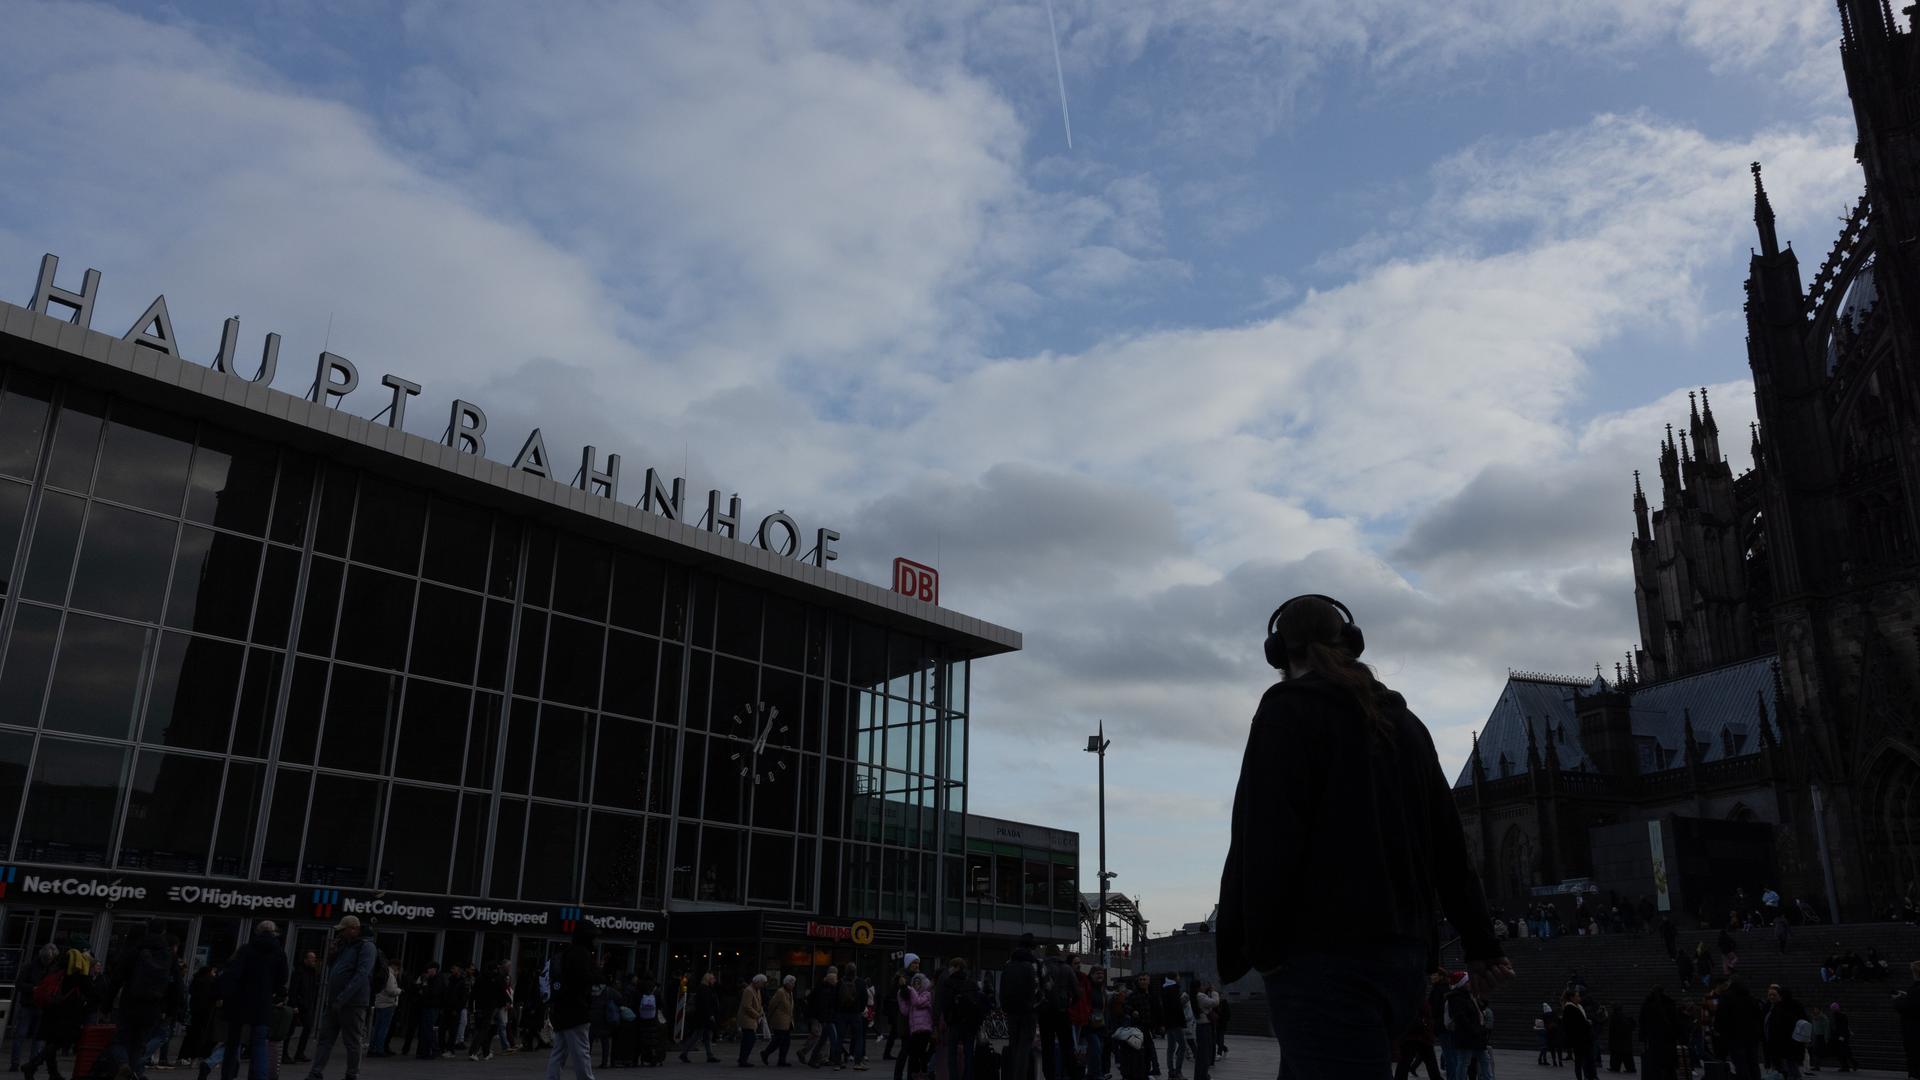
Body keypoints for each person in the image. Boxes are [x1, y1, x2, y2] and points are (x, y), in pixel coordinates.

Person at [1216, 594, 1511, 1078]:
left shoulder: (1286, 713)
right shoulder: (1408, 725)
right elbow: (1450, 844)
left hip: (1323, 961)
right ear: (1351, 644)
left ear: (1280, 653)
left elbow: (1262, 842)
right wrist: (1481, 943)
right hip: (1402, 961)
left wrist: (1262, 952)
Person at [214, 920, 290, 1080]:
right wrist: (274, 991)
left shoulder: (246, 949)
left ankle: (227, 1075)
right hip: (262, 1003)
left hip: (240, 1001)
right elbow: (282, 978)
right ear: (275, 932)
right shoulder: (279, 952)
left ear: (257, 931)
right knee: (259, 1044)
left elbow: (233, 974)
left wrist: (224, 995)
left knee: (233, 1042)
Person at [303, 914, 375, 1080]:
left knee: (352, 1041)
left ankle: (351, 1074)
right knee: (325, 1039)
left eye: (343, 930)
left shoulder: (366, 947)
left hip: (353, 1003)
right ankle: (315, 1072)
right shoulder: (346, 945)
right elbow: (333, 967)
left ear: (353, 929)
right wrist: (333, 952)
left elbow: (362, 974)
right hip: (335, 1002)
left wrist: (343, 997)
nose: (340, 933)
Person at [547, 923, 601, 1080]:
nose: (596, 940)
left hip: (561, 1009)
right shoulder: (582, 954)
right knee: (581, 1051)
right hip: (576, 1010)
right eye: (594, 937)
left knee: (559, 1051)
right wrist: (597, 976)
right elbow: (583, 979)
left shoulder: (567, 953)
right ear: (588, 937)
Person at [10, 943, 57, 1072]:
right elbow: (19, 984)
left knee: (37, 1038)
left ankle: (31, 1064)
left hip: (41, 1006)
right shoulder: (30, 967)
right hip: (29, 1005)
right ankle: (16, 1063)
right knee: (22, 1035)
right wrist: (33, 988)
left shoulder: (50, 969)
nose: (48, 962)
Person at [1037, 947, 1080, 1080]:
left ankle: (1049, 1076)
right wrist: (1069, 1004)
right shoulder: (1066, 968)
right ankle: (1072, 1074)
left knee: (1047, 1048)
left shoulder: (1041, 968)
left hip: (1045, 1013)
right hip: (1062, 1012)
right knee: (1067, 1047)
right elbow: (1077, 993)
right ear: (1059, 954)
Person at [938, 960, 982, 1080]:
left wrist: (948, 1020)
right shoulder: (972, 983)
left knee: (952, 1055)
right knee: (969, 1055)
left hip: (954, 1023)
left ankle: (954, 1077)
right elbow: (979, 1004)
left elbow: (944, 1004)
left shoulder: (948, 983)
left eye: (951, 966)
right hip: (970, 1025)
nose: (950, 969)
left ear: (957, 967)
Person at [1444, 972, 1490, 1080]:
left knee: (1484, 1059)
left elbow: (1478, 1010)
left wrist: (1482, 997)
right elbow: (1460, 1018)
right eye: (1468, 981)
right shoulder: (1456, 998)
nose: (1471, 983)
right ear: (1462, 983)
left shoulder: (1469, 996)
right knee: (1464, 1061)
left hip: (1476, 1034)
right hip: (1467, 1035)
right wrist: (1475, 1030)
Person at [680, 972, 722, 1064]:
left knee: (705, 1036)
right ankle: (684, 1053)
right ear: (708, 979)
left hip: (703, 1017)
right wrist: (710, 1015)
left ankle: (709, 1055)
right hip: (704, 1017)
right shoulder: (705, 989)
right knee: (698, 1036)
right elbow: (705, 1004)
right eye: (713, 979)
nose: (714, 981)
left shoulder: (705, 988)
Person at [286, 950, 319, 1066]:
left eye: (314, 958)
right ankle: (286, 1053)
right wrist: (294, 1004)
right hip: (298, 1004)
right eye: (311, 958)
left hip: (306, 1005)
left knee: (307, 1027)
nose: (313, 960)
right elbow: (294, 989)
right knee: (290, 1030)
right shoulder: (299, 972)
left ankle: (299, 1052)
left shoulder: (312, 972)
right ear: (305, 959)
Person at [805, 969, 843, 1069]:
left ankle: (813, 1059)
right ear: (831, 981)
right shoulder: (828, 990)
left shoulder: (825, 988)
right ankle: (837, 1061)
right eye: (835, 980)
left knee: (822, 1040)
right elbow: (826, 1006)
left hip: (825, 1019)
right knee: (833, 1040)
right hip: (827, 1019)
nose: (836, 981)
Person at [1638, 987, 1679, 1080]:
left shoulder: (1647, 1005)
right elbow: (1676, 1023)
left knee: (1654, 1064)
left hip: (1653, 1040)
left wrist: (1642, 1039)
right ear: (1664, 992)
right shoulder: (1670, 1004)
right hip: (1668, 1039)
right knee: (1668, 1065)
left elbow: (1642, 1023)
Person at [837, 963, 869, 1072]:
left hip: (842, 1014)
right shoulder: (860, 982)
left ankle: (837, 1063)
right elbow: (865, 998)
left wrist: (838, 1010)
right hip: (855, 1014)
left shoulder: (840, 982)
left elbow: (835, 998)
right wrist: (860, 1009)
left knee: (839, 1038)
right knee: (859, 1038)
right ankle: (858, 1062)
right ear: (855, 971)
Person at [902, 974, 935, 1080]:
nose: (916, 985)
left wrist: (910, 990)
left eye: (918, 983)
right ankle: (916, 1076)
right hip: (914, 1030)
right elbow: (905, 1011)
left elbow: (917, 1002)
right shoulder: (912, 995)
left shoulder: (927, 994)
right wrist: (901, 996)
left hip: (924, 1030)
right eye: (914, 983)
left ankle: (924, 1075)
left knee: (921, 1055)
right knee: (914, 1056)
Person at [368, 961, 401, 1057]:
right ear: (395, 967)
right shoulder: (390, 976)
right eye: (398, 969)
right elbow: (391, 991)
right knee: (383, 1028)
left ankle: (372, 1048)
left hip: (379, 1003)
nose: (398, 972)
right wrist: (399, 990)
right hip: (387, 1004)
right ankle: (379, 1049)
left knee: (377, 1028)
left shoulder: (383, 973)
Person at [762, 975, 796, 1067]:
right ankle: (766, 1053)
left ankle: (781, 1060)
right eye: (791, 983)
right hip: (779, 1020)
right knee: (778, 1040)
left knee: (786, 1041)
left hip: (788, 1021)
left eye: (793, 983)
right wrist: (769, 1017)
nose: (793, 985)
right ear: (786, 983)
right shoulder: (780, 992)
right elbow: (772, 1005)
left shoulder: (790, 992)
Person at [1894, 960, 1920, 1080]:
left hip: (1913, 1029)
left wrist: (1897, 1000)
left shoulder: (1916, 989)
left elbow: (1909, 1008)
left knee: (1913, 1054)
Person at [738, 974, 768, 1067]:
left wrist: (761, 1012)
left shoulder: (757, 990)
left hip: (752, 1018)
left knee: (748, 1039)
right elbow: (746, 1006)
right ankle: (743, 1060)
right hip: (747, 1018)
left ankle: (742, 1059)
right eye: (762, 983)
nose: (763, 985)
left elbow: (759, 1004)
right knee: (749, 1039)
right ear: (757, 982)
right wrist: (757, 1015)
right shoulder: (749, 990)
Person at [1606, 999, 1636, 1074]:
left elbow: (1613, 1029)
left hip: (1618, 1039)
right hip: (1624, 1040)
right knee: (1626, 1055)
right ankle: (1630, 1068)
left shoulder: (1615, 1016)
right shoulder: (1623, 1015)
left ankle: (1616, 1067)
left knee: (1617, 1054)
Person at [1827, 1003, 1857, 1072]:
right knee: (1839, 1052)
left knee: (1845, 1052)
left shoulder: (1842, 1015)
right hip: (1836, 1036)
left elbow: (1844, 1026)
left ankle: (1852, 1064)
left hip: (1842, 1037)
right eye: (1832, 1008)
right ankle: (1845, 1066)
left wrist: (1842, 1036)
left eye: (1834, 1008)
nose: (1833, 1010)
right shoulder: (1833, 1016)